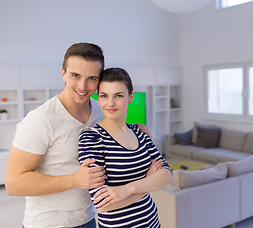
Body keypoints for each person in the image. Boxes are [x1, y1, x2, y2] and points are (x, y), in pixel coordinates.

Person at [5, 43, 150, 228]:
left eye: (91, 78)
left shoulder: (100, 111)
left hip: (88, 219)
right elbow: (13, 183)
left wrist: (134, 129)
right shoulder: (40, 120)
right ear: (63, 73)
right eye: (75, 76)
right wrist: (75, 180)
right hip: (47, 224)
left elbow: (115, 133)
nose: (83, 86)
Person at [78, 68, 173, 228]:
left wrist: (127, 189)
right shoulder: (92, 138)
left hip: (152, 222)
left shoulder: (140, 132)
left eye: (118, 95)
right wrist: (147, 183)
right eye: (104, 96)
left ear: (131, 96)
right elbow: (103, 205)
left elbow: (167, 175)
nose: (110, 103)